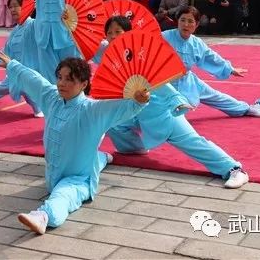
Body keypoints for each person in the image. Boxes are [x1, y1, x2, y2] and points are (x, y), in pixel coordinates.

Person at [0, 53, 149, 234]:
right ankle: (102, 158)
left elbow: (120, 107)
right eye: (60, 77)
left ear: (83, 84)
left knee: (62, 196)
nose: (62, 83)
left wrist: (139, 101)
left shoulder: (92, 110)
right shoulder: (53, 98)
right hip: (54, 173)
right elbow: (34, 80)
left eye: (69, 79)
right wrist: (13, 65)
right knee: (93, 159)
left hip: (77, 180)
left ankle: (43, 216)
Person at [98, 17, 250, 190]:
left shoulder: (140, 55)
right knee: (111, 123)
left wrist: (176, 102)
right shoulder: (109, 54)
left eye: (118, 32)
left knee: (192, 142)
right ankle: (132, 147)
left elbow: (161, 82)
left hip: (159, 109)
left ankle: (234, 169)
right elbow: (86, 48)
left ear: (128, 33)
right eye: (109, 33)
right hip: (133, 111)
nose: (113, 36)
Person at [161, 7, 260, 117]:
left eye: (190, 21)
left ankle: (245, 109)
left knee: (215, 96)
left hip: (187, 80)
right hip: (163, 84)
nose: (186, 24)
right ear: (177, 21)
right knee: (166, 112)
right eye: (182, 20)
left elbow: (211, 57)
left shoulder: (196, 43)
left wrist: (230, 69)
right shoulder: (163, 37)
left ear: (196, 24)